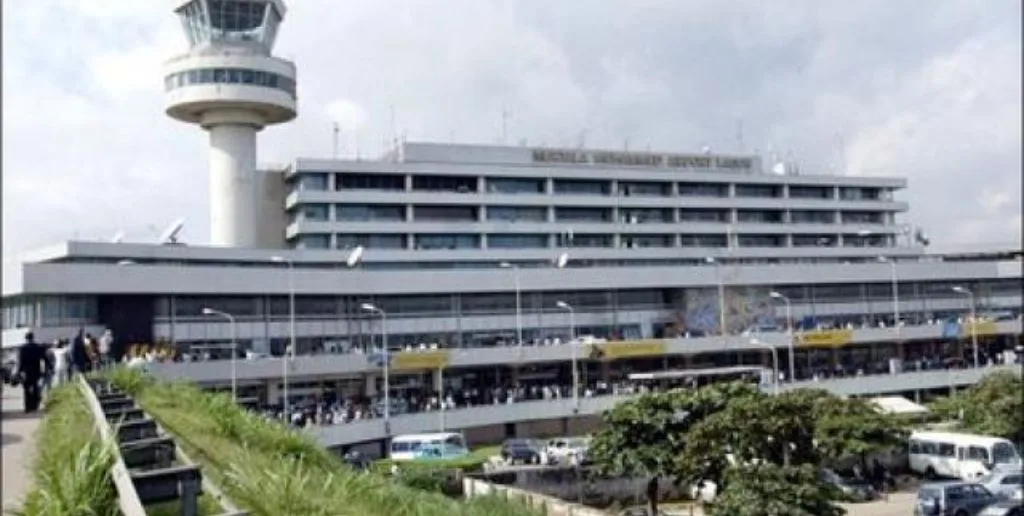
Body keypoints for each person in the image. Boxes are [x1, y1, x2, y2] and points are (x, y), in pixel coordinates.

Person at [16, 332, 53, 413]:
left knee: (27, 389)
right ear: (33, 338)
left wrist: (18, 371)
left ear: (26, 338)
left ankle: (28, 407)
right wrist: (50, 367)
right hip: (36, 370)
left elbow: (20, 361)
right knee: (35, 387)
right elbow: (44, 358)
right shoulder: (38, 347)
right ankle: (34, 405)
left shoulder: (22, 348)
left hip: (26, 372)